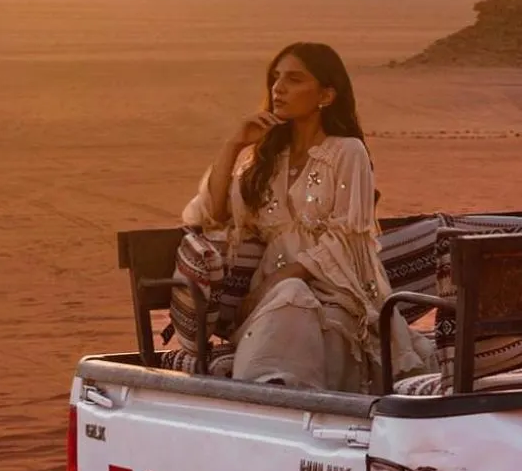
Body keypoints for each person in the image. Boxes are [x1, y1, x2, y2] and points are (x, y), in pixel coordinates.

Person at [184, 42, 433, 392]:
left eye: (294, 79)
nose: (278, 88)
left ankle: (285, 401)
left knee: (311, 311)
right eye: (275, 78)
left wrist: (284, 277)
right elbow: (214, 215)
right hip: (272, 297)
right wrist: (235, 144)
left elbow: (346, 236)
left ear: (326, 95)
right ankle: (270, 399)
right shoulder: (269, 158)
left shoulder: (347, 152)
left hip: (337, 287)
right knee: (291, 301)